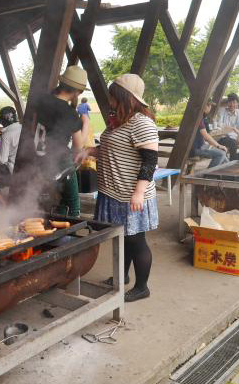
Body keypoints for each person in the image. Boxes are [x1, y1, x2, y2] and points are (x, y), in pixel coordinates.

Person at [76, 74, 158, 302]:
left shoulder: (142, 122)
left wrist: (139, 192)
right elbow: (113, 149)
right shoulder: (121, 119)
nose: (109, 99)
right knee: (123, 238)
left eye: (113, 95)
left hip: (130, 195)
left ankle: (142, 287)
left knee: (136, 240)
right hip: (112, 192)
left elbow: (150, 161)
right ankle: (121, 277)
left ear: (125, 97)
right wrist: (89, 152)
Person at [34, 65, 90, 217]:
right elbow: (79, 146)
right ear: (77, 91)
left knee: (45, 207)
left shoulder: (42, 101)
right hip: (60, 165)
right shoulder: (68, 113)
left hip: (39, 161)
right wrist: (85, 123)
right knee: (72, 209)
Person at [191, 101, 229, 168]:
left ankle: (229, 171)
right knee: (221, 154)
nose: (210, 108)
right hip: (196, 149)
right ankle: (207, 175)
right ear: (205, 106)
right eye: (209, 105)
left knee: (222, 153)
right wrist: (218, 146)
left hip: (199, 146)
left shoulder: (198, 116)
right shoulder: (198, 118)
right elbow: (206, 136)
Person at [215, 93, 239, 161]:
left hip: (234, 137)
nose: (232, 104)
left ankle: (232, 161)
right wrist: (233, 128)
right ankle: (233, 162)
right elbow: (220, 125)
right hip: (223, 137)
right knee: (233, 144)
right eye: (230, 102)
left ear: (237, 104)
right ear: (227, 103)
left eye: (234, 102)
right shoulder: (222, 111)